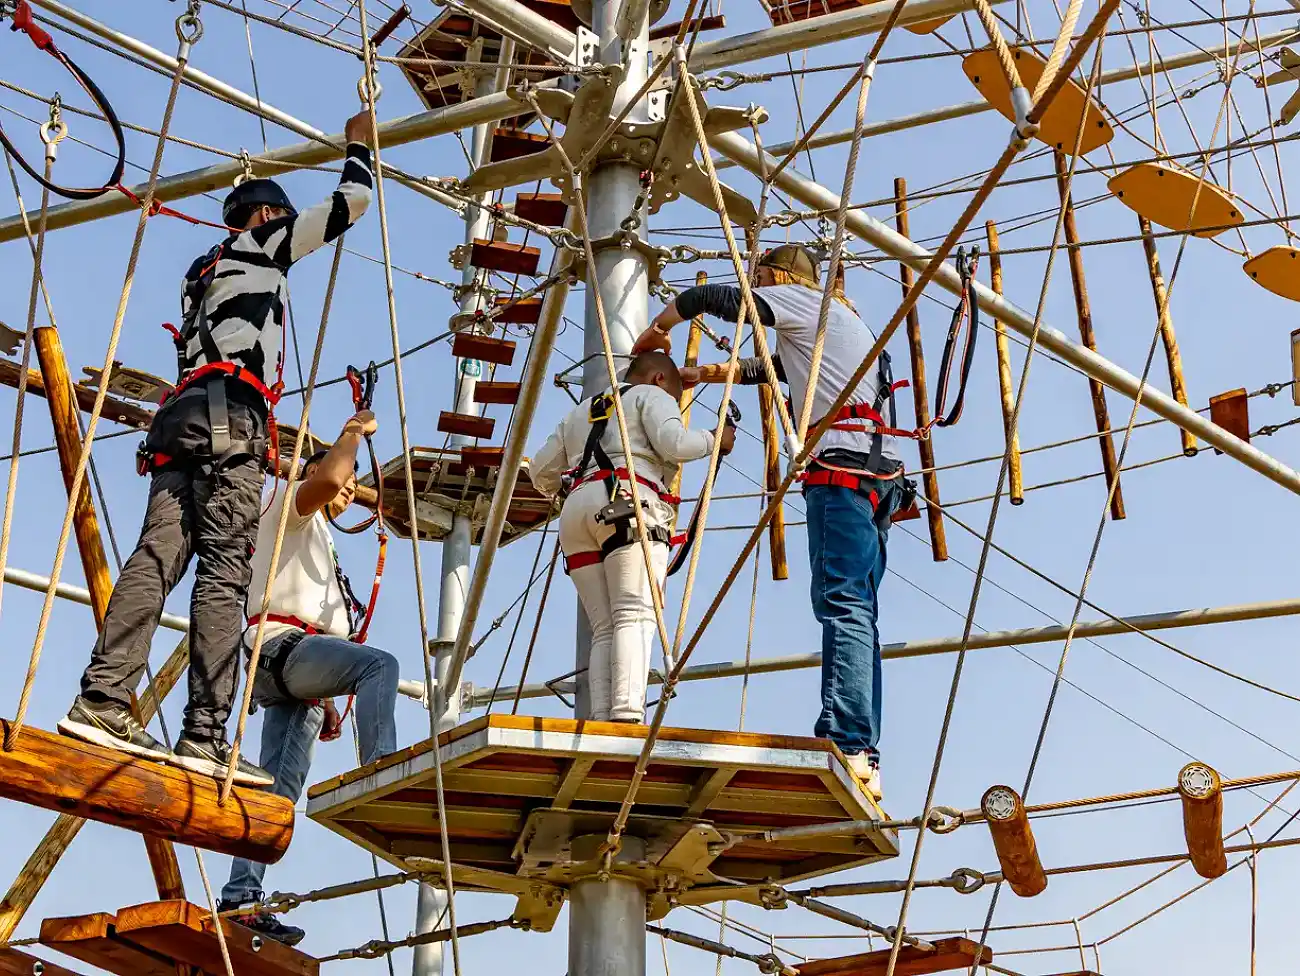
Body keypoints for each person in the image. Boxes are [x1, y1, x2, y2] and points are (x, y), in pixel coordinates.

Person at [58, 110, 377, 787]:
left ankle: (103, 699)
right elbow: (351, 203)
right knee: (225, 574)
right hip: (233, 418)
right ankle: (203, 734)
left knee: (156, 559)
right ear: (263, 217)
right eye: (278, 216)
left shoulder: (200, 275)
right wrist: (360, 145)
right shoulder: (259, 246)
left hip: (180, 422)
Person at [631, 246, 902, 799]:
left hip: (842, 475)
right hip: (878, 480)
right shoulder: (842, 322)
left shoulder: (802, 301)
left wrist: (658, 329)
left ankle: (849, 741)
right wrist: (703, 373)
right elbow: (769, 368)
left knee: (843, 606)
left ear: (778, 279)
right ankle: (864, 751)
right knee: (859, 612)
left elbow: (717, 299)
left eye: (761, 279)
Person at [217, 410, 400, 946]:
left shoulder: (315, 534)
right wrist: (352, 434)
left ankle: (241, 899)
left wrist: (330, 699)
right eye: (345, 480)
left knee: (278, 793)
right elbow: (326, 478)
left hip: (292, 665)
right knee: (380, 665)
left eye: (354, 485)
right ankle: (381, 773)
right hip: (282, 647)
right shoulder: (291, 506)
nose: (349, 488)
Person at [530, 352, 735, 723]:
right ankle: (625, 716)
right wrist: (715, 439)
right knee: (634, 614)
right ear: (658, 379)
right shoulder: (651, 395)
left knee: (605, 628)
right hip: (628, 500)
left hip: (576, 513)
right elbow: (675, 444)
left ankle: (602, 719)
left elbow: (540, 471)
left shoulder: (581, 411)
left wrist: (567, 488)